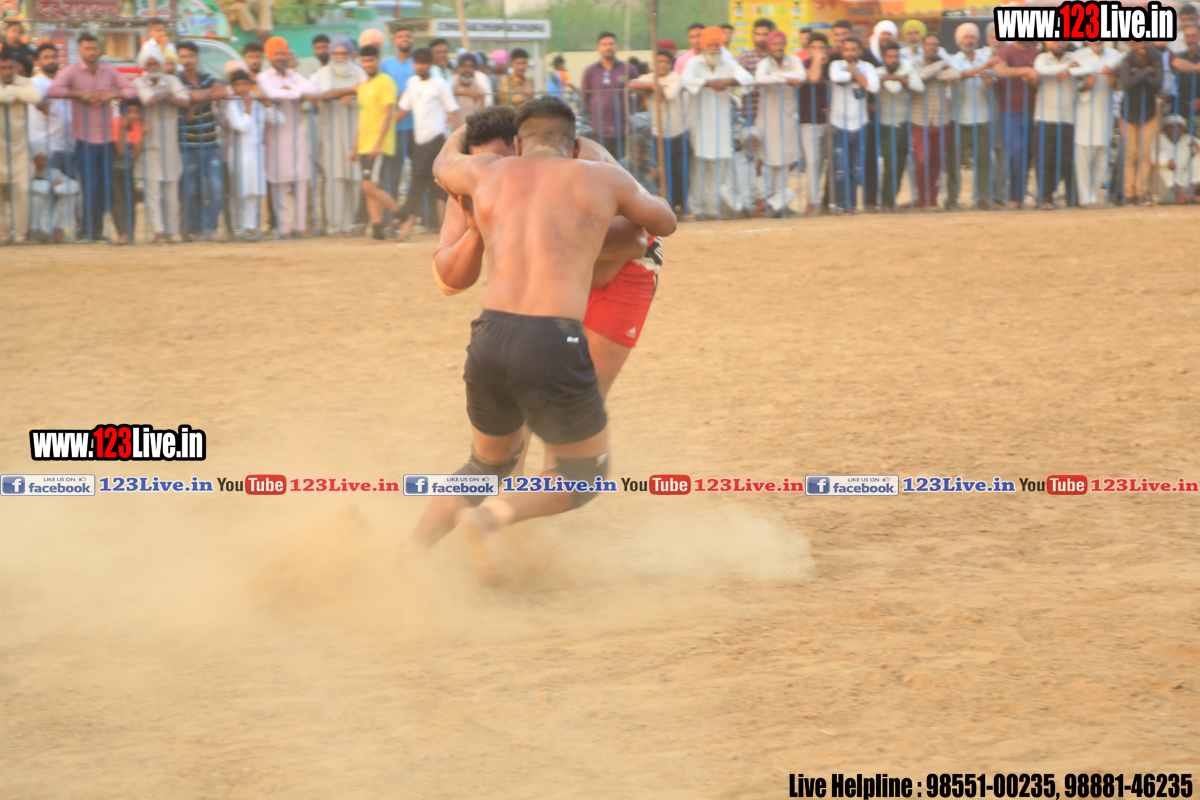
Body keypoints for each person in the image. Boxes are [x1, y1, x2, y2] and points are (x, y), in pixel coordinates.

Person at [418, 96, 676, 577]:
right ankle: (494, 521)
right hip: (551, 330)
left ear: (517, 144)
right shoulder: (487, 173)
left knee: (520, 446)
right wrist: (481, 227)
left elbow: (642, 240)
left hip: (599, 287)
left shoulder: (513, 171)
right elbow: (449, 281)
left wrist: (563, 232)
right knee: (575, 467)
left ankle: (438, 544)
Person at [45, 33, 136, 242]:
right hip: (84, 139)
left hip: (106, 138)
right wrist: (81, 95)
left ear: (99, 49)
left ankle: (96, 230)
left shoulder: (108, 71)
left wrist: (111, 95)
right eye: (87, 48)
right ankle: (84, 229)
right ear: (80, 50)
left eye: (94, 48)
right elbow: (53, 90)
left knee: (104, 187)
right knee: (90, 186)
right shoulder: (72, 71)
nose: (91, 52)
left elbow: (131, 90)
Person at [681, 26, 755, 218]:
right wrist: (708, 83)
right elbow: (685, 80)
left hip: (721, 125)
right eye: (710, 44)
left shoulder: (727, 63)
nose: (713, 48)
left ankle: (716, 210)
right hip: (700, 124)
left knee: (720, 170)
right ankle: (697, 210)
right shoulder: (694, 63)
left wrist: (728, 81)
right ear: (703, 46)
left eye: (716, 44)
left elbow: (748, 78)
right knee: (699, 169)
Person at [394, 47, 460, 239]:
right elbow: (403, 110)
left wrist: (454, 141)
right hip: (420, 143)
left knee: (417, 183)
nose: (420, 67)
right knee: (434, 187)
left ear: (430, 64)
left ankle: (402, 220)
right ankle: (441, 230)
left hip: (436, 141)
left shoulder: (439, 84)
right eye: (417, 62)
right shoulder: (412, 83)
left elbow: (452, 112)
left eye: (423, 63)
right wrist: (384, 125)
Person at [258, 37, 319, 237]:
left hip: (296, 134)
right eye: (276, 54)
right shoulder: (264, 77)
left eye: (282, 53)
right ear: (269, 57)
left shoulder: (294, 75)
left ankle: (299, 227)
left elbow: (313, 90)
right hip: (275, 136)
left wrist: (288, 91)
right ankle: (284, 228)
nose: (280, 57)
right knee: (279, 182)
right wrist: (298, 94)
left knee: (301, 180)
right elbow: (272, 94)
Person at [135, 42, 189, 245]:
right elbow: (149, 99)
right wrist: (167, 95)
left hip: (170, 145)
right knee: (153, 192)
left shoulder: (172, 80)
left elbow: (185, 100)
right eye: (148, 64)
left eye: (155, 63)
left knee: (171, 191)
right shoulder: (139, 82)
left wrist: (167, 95)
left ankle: (172, 232)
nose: (153, 67)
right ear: (143, 65)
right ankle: (158, 232)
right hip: (150, 145)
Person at [313, 37, 366, 236]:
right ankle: (334, 226)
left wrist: (349, 94)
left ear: (351, 55)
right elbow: (326, 93)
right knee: (335, 179)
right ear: (331, 55)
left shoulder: (358, 71)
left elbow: (366, 90)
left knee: (354, 179)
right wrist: (351, 90)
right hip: (332, 134)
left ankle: (348, 225)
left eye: (344, 53)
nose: (340, 57)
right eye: (336, 54)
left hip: (355, 133)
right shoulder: (324, 72)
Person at [177, 40, 227, 241]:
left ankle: (210, 228)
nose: (187, 60)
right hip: (187, 144)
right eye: (183, 56)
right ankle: (196, 230)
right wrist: (207, 95)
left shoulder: (207, 77)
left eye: (190, 56)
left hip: (210, 142)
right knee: (191, 190)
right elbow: (188, 98)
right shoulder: (177, 80)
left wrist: (198, 97)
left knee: (216, 188)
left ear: (197, 58)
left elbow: (222, 92)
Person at [352, 43, 402, 241]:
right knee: (369, 189)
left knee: (368, 187)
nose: (368, 64)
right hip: (364, 145)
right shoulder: (363, 87)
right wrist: (354, 147)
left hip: (377, 144)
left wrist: (378, 143)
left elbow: (388, 114)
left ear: (378, 60)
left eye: (371, 60)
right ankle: (378, 230)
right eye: (364, 61)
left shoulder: (385, 82)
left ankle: (403, 214)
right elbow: (361, 119)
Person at [225, 69, 282, 240]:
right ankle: (239, 228)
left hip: (256, 154)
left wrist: (268, 105)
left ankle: (250, 228)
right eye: (238, 85)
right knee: (240, 193)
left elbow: (279, 120)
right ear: (233, 87)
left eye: (245, 84)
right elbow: (241, 125)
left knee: (253, 193)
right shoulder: (231, 104)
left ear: (250, 85)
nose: (242, 88)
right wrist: (248, 107)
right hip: (239, 155)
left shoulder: (258, 103)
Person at [630, 49, 687, 212]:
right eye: (660, 62)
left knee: (678, 172)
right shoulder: (650, 77)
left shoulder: (675, 77)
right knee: (660, 173)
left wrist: (655, 87)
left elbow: (668, 94)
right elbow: (631, 84)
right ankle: (665, 206)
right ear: (654, 63)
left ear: (671, 64)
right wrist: (651, 85)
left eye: (666, 62)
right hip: (658, 133)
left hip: (676, 132)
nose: (663, 65)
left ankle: (681, 207)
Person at [754, 30, 805, 216]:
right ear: (769, 46)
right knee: (767, 161)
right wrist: (784, 78)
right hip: (767, 119)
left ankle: (777, 206)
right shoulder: (764, 63)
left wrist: (777, 77)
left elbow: (801, 76)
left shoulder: (794, 60)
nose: (778, 47)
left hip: (787, 119)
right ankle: (769, 203)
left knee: (783, 163)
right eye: (774, 44)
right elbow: (760, 78)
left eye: (780, 44)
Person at [908, 33, 960, 210]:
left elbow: (956, 73)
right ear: (923, 46)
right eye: (929, 44)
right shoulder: (915, 63)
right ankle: (922, 199)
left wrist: (936, 72)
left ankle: (932, 200)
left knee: (938, 162)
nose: (932, 47)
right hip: (920, 121)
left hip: (941, 120)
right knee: (922, 161)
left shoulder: (944, 63)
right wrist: (940, 66)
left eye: (935, 45)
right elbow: (919, 76)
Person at [828, 36, 879, 213]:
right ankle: (841, 204)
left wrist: (854, 73)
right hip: (839, 124)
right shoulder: (835, 65)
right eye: (846, 49)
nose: (850, 53)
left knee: (857, 168)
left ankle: (852, 205)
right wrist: (858, 76)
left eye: (853, 49)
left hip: (860, 124)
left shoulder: (868, 67)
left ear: (860, 51)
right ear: (842, 51)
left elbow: (873, 87)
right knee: (840, 168)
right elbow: (836, 77)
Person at [946, 22, 994, 210]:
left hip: (982, 115)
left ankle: (983, 199)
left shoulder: (984, 57)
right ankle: (952, 200)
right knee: (954, 162)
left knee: (983, 161)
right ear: (959, 41)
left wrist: (989, 81)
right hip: (959, 117)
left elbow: (993, 80)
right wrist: (983, 68)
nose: (969, 40)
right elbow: (959, 75)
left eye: (973, 37)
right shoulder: (954, 59)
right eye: (966, 37)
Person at [1070, 39, 1123, 206]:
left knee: (1102, 156)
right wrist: (1086, 85)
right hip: (1084, 112)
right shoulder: (1078, 56)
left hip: (1106, 111)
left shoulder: (1114, 56)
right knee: (1083, 156)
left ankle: (1093, 196)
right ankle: (1085, 198)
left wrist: (1114, 81)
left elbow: (1120, 84)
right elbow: (1072, 85)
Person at [992, 39, 1040, 208]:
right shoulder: (1006, 50)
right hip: (1009, 111)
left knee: (1026, 155)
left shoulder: (1035, 52)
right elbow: (999, 69)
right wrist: (1025, 70)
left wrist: (1032, 80)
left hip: (1031, 109)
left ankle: (1019, 197)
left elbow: (1037, 81)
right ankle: (1014, 197)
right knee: (1015, 152)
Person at [0, 47, 40, 244]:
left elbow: (35, 97)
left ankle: (20, 235)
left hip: (19, 147)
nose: (7, 71)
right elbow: (5, 98)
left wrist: (10, 91)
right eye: (2, 68)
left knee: (22, 190)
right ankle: (2, 235)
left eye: (10, 67)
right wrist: (14, 95)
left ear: (15, 66)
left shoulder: (25, 82)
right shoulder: (22, 86)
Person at [876, 40, 922, 211]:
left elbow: (919, 86)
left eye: (896, 56)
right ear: (884, 58)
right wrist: (899, 78)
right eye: (889, 56)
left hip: (904, 123)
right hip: (887, 125)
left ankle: (891, 201)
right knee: (890, 164)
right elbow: (893, 88)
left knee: (900, 165)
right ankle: (886, 202)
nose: (893, 60)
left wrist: (898, 77)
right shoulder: (878, 72)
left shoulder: (905, 70)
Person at [1033, 39, 1077, 209]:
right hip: (1046, 116)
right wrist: (1066, 69)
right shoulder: (1042, 58)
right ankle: (1045, 198)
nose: (1059, 43)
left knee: (1065, 160)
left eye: (1062, 41)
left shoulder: (1074, 57)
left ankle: (1053, 194)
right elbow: (1041, 70)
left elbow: (1086, 68)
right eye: (1055, 40)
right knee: (1045, 160)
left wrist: (1070, 70)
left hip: (1067, 117)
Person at [1118, 40, 1164, 205]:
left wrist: (1137, 73)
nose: (1142, 46)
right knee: (1130, 155)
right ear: (1132, 44)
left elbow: (1158, 83)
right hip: (1129, 112)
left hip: (1149, 112)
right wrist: (1147, 71)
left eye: (1144, 42)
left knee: (1144, 154)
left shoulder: (1156, 57)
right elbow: (1126, 84)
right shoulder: (1127, 59)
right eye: (1138, 43)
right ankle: (1129, 194)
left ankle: (1141, 193)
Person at [582, 32, 637, 159]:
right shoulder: (590, 71)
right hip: (599, 128)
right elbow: (585, 97)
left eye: (611, 44)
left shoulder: (628, 69)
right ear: (598, 48)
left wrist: (628, 110)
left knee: (621, 164)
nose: (608, 47)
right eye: (604, 44)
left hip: (623, 128)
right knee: (602, 164)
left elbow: (639, 95)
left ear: (617, 46)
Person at [380, 25, 415, 218]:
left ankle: (417, 216)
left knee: (418, 175)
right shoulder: (385, 65)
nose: (404, 39)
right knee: (392, 175)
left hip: (416, 128)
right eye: (400, 36)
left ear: (413, 40)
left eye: (408, 36)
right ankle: (390, 217)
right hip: (393, 129)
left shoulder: (418, 63)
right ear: (394, 41)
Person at [29, 43, 74, 183]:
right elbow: (43, 107)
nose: (51, 60)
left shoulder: (68, 82)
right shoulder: (34, 83)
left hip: (70, 146)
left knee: (71, 189)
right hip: (47, 148)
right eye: (46, 57)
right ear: (38, 62)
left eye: (54, 57)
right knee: (51, 189)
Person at [799, 31, 831, 215]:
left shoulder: (832, 66)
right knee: (812, 162)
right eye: (814, 48)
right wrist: (818, 59)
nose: (818, 51)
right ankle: (815, 202)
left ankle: (813, 201)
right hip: (808, 121)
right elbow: (813, 77)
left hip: (827, 120)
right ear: (808, 50)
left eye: (821, 47)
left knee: (820, 163)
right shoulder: (802, 65)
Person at [29, 143, 80, 244]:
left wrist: (56, 188)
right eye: (38, 159)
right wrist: (50, 186)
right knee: (35, 199)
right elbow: (28, 187)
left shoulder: (54, 173)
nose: (41, 162)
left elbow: (74, 186)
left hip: (52, 215)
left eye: (44, 159)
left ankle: (58, 232)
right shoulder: (27, 173)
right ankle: (33, 234)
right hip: (35, 221)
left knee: (68, 198)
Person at [108, 98, 141, 244]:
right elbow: (120, 150)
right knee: (118, 200)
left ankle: (130, 234)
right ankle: (122, 233)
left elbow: (137, 151)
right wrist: (122, 128)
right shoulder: (116, 123)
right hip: (114, 167)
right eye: (130, 112)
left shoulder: (137, 125)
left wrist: (142, 132)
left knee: (130, 200)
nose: (133, 115)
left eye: (136, 112)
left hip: (129, 168)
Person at [738, 17, 776, 128]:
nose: (761, 38)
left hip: (773, 113)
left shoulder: (776, 57)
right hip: (751, 114)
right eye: (758, 34)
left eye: (765, 34)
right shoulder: (745, 57)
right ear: (753, 36)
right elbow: (743, 84)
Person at [1155, 113, 1200, 202]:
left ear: (1183, 129)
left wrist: (1197, 146)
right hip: (1165, 186)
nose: (1175, 129)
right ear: (1165, 128)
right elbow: (1153, 155)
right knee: (1163, 165)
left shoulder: (1188, 139)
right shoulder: (1158, 139)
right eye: (1171, 127)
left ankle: (1189, 195)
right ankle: (1179, 196)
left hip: (1185, 182)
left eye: (1179, 127)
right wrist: (1167, 162)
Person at [1171, 22, 1200, 136]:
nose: (1190, 39)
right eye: (1187, 36)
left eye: (1193, 35)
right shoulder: (1178, 57)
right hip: (1179, 109)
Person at [452, 54, 489, 119]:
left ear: (475, 69)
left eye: (471, 67)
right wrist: (467, 91)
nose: (467, 70)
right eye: (464, 66)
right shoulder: (450, 83)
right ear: (458, 68)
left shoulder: (480, 89)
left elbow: (481, 115)